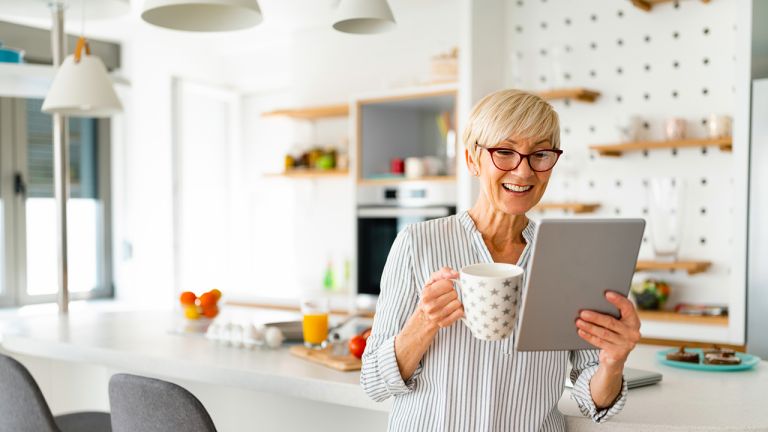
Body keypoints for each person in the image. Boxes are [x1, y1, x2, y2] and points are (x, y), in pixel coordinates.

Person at [360, 89, 641, 431]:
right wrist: (425, 321)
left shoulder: (571, 258)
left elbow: (590, 398)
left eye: (540, 154)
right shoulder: (418, 244)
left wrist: (612, 363)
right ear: (472, 159)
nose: (523, 172)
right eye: (505, 152)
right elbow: (373, 380)